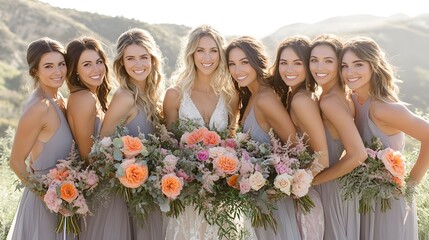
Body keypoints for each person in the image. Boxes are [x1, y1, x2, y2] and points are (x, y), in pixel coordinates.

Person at [341, 36, 429, 240]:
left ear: (374, 65)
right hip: (359, 199)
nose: (350, 72)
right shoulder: (351, 101)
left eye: (358, 64)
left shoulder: (383, 108)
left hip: (388, 201)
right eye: (344, 65)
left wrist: (411, 183)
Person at [162, 24, 240, 240]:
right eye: (200, 50)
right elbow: (169, 145)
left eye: (213, 50)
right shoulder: (175, 94)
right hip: (187, 194)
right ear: (191, 54)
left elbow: (231, 142)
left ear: (221, 54)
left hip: (222, 193)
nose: (207, 57)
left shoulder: (230, 96)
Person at [226, 35, 300, 240]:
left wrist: (275, 181)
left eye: (244, 62)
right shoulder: (249, 96)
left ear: (257, 61)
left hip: (274, 200)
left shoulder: (266, 98)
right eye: (232, 64)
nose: (238, 70)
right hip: (258, 199)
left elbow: (295, 146)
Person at [7, 37, 76, 239]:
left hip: (65, 199)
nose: (58, 71)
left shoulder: (59, 99)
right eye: (48, 66)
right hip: (43, 206)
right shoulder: (39, 107)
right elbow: (16, 161)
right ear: (35, 71)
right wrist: (50, 198)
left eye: (61, 64)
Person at [64, 36, 132, 240]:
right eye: (87, 64)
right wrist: (129, 171)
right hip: (101, 193)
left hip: (104, 188)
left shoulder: (89, 96)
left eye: (99, 62)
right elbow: (89, 156)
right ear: (75, 70)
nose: (96, 69)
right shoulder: (84, 99)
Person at [100, 28, 165, 240]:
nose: (138, 64)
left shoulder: (154, 94)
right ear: (122, 63)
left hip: (151, 192)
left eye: (143, 57)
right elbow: (101, 146)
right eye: (130, 58)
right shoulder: (125, 97)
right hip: (130, 197)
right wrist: (128, 173)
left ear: (152, 59)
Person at [309, 34, 367, 240]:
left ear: (339, 65)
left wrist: (313, 181)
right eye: (314, 60)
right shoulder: (340, 95)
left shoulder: (330, 102)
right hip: (337, 185)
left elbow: (358, 154)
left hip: (330, 188)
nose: (319, 67)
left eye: (328, 61)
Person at [269, 35, 328, 240]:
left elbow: (322, 158)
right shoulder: (293, 95)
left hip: (305, 199)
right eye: (283, 63)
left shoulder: (302, 100)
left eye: (297, 63)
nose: (289, 70)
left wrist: (294, 186)